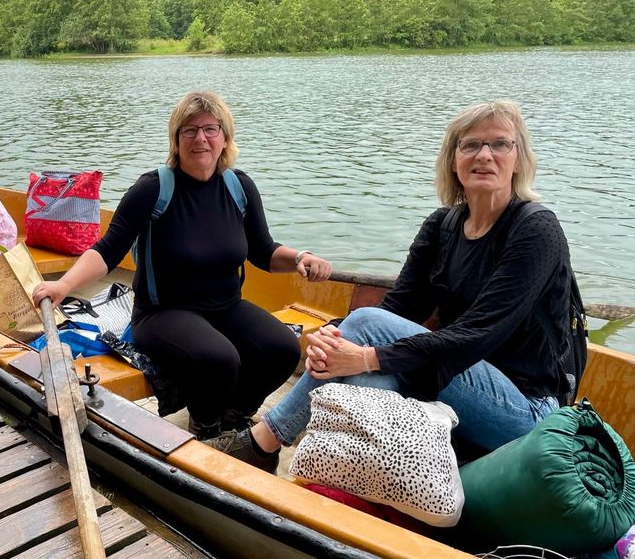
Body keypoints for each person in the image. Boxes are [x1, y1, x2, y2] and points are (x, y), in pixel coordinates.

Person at [209, 99, 574, 470]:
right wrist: (333, 336)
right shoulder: (444, 226)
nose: (485, 155)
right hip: (452, 378)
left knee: (365, 333)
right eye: (471, 145)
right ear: (453, 159)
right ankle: (340, 501)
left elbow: (476, 335)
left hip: (524, 409)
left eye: (500, 144)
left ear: (518, 158)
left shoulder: (535, 229)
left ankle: (261, 443)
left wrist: (367, 355)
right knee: (361, 382)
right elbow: (400, 308)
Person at [32, 90, 332, 453]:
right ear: (176, 139)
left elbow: (263, 251)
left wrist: (300, 258)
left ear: (225, 137)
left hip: (225, 307)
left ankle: (234, 416)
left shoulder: (240, 187)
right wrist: (62, 286)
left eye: (210, 129)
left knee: (282, 347)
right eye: (189, 130)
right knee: (221, 358)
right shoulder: (153, 189)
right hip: (163, 314)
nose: (200, 139)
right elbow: (108, 250)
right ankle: (206, 427)